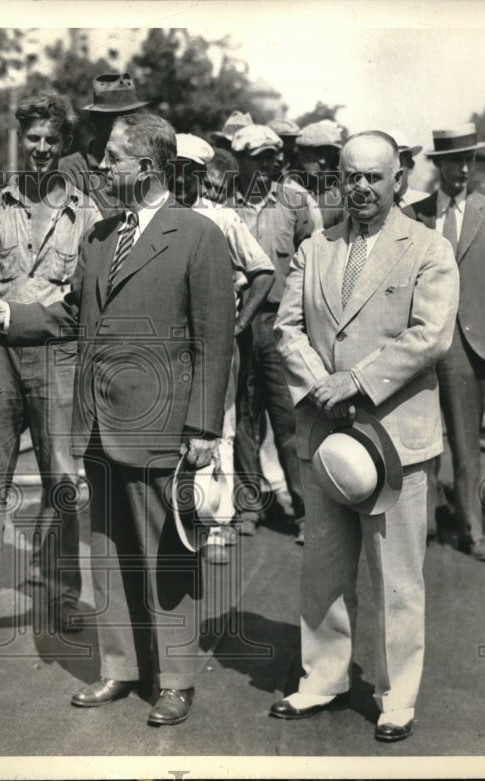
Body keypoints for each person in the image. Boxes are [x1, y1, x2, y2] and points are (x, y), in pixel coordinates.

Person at [0, 113, 235, 726]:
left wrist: (202, 429)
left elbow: (214, 340)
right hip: (97, 422)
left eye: (113, 158)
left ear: (147, 166)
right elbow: (67, 314)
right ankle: (120, 668)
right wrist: (7, 315)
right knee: (109, 552)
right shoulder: (99, 236)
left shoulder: (197, 235)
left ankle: (176, 679)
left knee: (167, 555)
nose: (101, 167)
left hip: (163, 424)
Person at [272, 130, 459, 743]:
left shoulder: (428, 248)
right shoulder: (314, 248)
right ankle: (322, 678)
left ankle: (394, 693)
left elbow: (431, 336)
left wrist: (355, 381)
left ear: (397, 179)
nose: (359, 187)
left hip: (395, 437)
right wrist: (324, 385)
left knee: (397, 575)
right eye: (350, 176)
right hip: (327, 437)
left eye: (373, 177)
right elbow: (288, 328)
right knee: (323, 567)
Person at [0, 91, 101, 630]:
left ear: (64, 145)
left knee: (62, 477)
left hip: (58, 355)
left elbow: (88, 297)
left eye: (50, 141)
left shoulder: (86, 213)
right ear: (23, 142)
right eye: (33, 140)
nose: (41, 150)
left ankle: (64, 595)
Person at [403, 122, 485, 562]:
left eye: (469, 160)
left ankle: (471, 531)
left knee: (466, 445)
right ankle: (418, 529)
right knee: (418, 442)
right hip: (420, 344)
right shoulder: (414, 214)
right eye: (454, 161)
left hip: (469, 346)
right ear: (439, 165)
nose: (463, 169)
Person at [171, 132, 275, 564]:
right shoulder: (155, 217)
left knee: (221, 422)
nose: (181, 182)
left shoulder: (223, 218)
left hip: (213, 340)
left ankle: (218, 520)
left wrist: (237, 324)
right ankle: (181, 514)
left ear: (202, 175)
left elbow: (263, 271)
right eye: (173, 172)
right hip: (172, 341)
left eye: (190, 174)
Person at [230, 124, 321, 532]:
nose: (267, 165)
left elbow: (314, 260)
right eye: (258, 158)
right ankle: (250, 507)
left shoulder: (295, 200)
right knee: (246, 419)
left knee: (288, 421)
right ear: (240, 160)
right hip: (236, 323)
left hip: (280, 321)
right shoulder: (222, 201)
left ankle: (304, 510)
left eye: (272, 157)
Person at [58, 72, 148, 201]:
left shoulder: (145, 166)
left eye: (131, 117)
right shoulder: (70, 170)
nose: (125, 126)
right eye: (115, 118)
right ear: (95, 119)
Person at [295, 120, 346, 229]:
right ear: (300, 152)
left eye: (329, 155)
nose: (323, 161)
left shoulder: (335, 199)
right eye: (317, 153)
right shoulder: (277, 192)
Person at [387, 129, 429, 207]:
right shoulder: (377, 207)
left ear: (410, 166)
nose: (394, 171)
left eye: (399, 163)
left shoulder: (425, 201)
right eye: (388, 164)